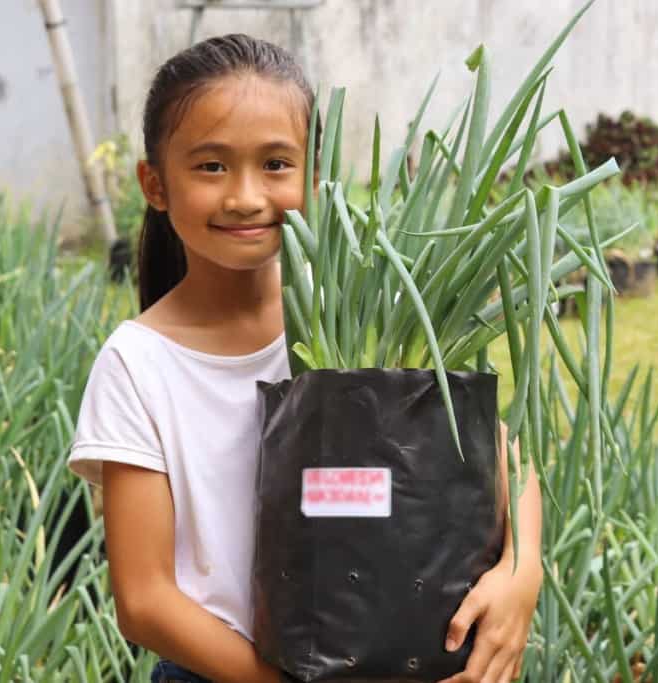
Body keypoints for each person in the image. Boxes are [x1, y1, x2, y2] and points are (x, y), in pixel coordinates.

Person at [67, 34, 543, 683]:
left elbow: (500, 455)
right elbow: (145, 602)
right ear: (155, 183)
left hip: (390, 661)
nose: (245, 196)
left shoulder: (362, 316)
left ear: (314, 180)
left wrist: (522, 570)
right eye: (210, 167)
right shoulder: (138, 365)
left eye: (275, 164)